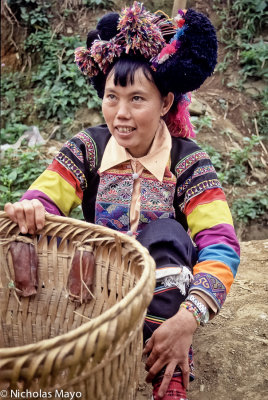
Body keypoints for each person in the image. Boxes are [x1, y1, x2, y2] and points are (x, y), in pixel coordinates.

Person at [4, 3, 240, 399]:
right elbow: (45, 195)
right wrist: (31, 207)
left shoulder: (187, 161)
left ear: (165, 104)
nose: (121, 114)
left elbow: (221, 242)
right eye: (112, 97)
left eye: (137, 99)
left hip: (162, 300)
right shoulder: (88, 148)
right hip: (95, 296)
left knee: (166, 233)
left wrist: (188, 318)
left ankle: (167, 374)